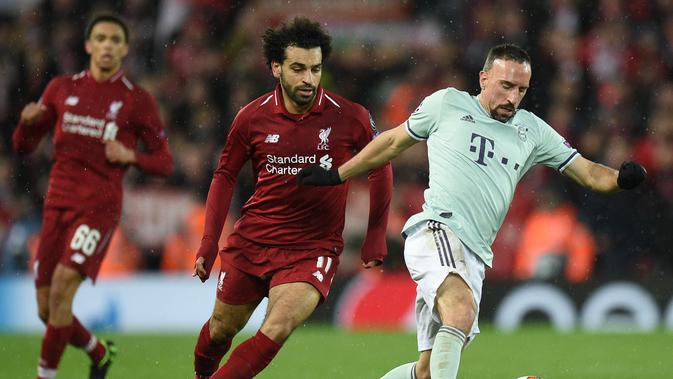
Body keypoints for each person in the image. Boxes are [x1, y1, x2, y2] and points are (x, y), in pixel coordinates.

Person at [298, 43, 646, 379]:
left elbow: (587, 172)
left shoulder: (533, 131)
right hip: (438, 231)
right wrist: (336, 174)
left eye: (521, 90)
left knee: (428, 371)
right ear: (483, 78)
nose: (512, 97)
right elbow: (391, 142)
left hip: (475, 255)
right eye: (505, 85)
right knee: (461, 311)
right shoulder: (447, 104)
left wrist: (621, 179)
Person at [191, 17, 392, 379]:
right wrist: (209, 241)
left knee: (277, 326)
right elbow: (224, 176)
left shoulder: (350, 117)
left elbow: (381, 165)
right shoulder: (251, 117)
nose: (308, 79)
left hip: (312, 248)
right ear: (276, 68)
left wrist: (376, 233)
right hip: (253, 240)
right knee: (220, 330)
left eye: (315, 69)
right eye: (298, 69)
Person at [12, 14, 173, 379]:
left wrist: (132, 155)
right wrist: (26, 122)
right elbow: (23, 147)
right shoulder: (60, 89)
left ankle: (44, 375)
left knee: (64, 287)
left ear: (125, 49)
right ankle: (98, 351)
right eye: (100, 38)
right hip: (56, 205)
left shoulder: (136, 100)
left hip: (98, 208)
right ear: (88, 45)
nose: (107, 45)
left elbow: (165, 162)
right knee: (47, 309)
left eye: (115, 40)